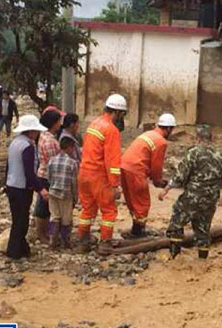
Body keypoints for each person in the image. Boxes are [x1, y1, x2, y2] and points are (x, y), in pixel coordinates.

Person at [159, 125, 222, 259]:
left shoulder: (193, 153)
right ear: (211, 138)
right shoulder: (220, 155)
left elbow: (180, 176)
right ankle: (202, 261)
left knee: (176, 223)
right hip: (211, 198)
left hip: (193, 197)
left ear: (197, 138)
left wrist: (166, 189)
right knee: (203, 229)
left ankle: (175, 258)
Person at [77, 94, 127, 255]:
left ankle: (83, 241)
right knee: (109, 210)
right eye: (122, 114)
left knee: (87, 209)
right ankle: (105, 243)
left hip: (84, 173)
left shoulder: (94, 124)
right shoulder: (111, 130)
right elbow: (112, 162)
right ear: (118, 113)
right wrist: (115, 185)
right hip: (99, 176)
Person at [121, 113, 176, 237]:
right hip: (136, 170)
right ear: (168, 128)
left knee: (132, 201)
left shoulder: (147, 134)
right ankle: (137, 233)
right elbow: (156, 166)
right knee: (142, 203)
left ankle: (135, 229)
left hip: (124, 166)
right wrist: (158, 181)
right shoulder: (161, 142)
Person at [5, 115, 49, 259]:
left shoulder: (14, 143)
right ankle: (14, 251)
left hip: (12, 185)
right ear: (30, 131)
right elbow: (29, 172)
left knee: (17, 219)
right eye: (36, 131)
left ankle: (21, 249)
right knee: (21, 221)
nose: (38, 134)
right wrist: (40, 189)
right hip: (22, 188)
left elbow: (8, 166)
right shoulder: (28, 147)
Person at [34, 110, 62, 244]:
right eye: (58, 122)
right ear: (54, 123)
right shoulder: (50, 141)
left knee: (44, 206)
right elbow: (53, 162)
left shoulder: (43, 136)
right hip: (47, 176)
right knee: (44, 208)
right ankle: (42, 234)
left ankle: (43, 233)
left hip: (43, 174)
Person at [47, 137, 78, 249]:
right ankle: (65, 242)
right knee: (66, 220)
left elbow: (49, 177)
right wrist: (75, 197)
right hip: (66, 194)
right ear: (69, 148)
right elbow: (74, 182)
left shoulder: (52, 160)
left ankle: (52, 241)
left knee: (54, 217)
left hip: (53, 192)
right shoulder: (72, 163)